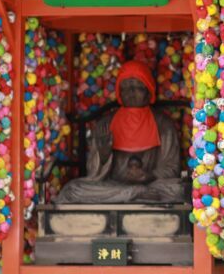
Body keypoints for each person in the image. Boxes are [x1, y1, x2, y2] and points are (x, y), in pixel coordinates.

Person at [56, 60, 185, 204]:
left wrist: (147, 176)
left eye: (138, 87)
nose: (131, 92)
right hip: (114, 187)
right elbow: (93, 174)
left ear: (149, 93)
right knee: (73, 189)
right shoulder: (105, 124)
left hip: (151, 186)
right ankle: (134, 194)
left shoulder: (163, 124)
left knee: (180, 189)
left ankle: (135, 193)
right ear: (119, 93)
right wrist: (103, 158)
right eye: (126, 87)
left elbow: (171, 168)